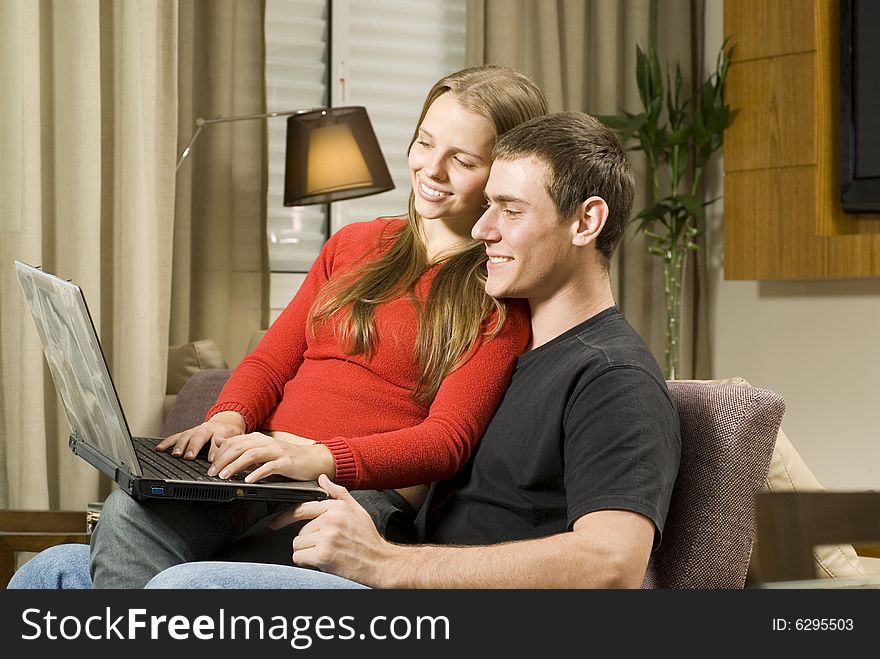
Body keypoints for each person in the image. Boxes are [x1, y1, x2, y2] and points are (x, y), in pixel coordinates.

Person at [10, 110, 681, 589]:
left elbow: (612, 564)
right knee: (48, 575)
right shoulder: (519, 340)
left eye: (508, 209)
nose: (480, 227)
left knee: (186, 592)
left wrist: (387, 564)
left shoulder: (611, 375)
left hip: (412, 589)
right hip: (379, 559)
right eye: (489, 204)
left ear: (586, 221)